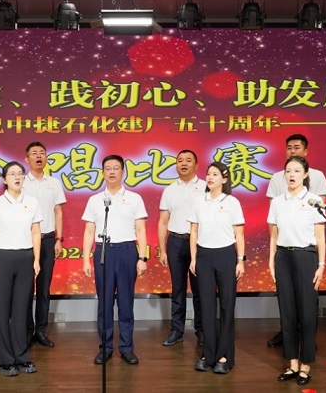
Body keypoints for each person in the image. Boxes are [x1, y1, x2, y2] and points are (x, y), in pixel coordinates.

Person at [82, 154, 148, 366]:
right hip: (103, 251)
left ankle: (127, 348)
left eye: (116, 168)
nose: (112, 172)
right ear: (102, 173)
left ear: (123, 172)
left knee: (126, 303)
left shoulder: (135, 198)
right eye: (108, 168)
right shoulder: (95, 200)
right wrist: (85, 259)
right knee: (105, 303)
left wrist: (142, 257)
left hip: (127, 251)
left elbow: (141, 229)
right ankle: (106, 348)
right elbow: (89, 231)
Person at [266, 134, 326, 348]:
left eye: (296, 147)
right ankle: (289, 342)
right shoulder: (277, 182)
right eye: (289, 147)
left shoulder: (317, 179)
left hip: (306, 249)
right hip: (284, 249)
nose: (292, 150)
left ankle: (308, 342)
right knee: (286, 301)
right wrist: (272, 258)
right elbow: (274, 224)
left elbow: (320, 225)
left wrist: (322, 263)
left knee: (307, 301)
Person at [0, 161, 43, 376]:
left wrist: (36, 259)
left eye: (20, 174)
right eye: (12, 174)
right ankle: (5, 360)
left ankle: (22, 356)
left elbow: (36, 232)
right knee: (2, 310)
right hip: (3, 258)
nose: (17, 177)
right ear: (4, 179)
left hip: (25, 257)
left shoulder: (32, 202)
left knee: (21, 309)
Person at [188, 162, 245, 374]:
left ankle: (224, 355)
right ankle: (208, 354)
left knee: (227, 305)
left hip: (226, 255)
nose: (210, 177)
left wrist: (240, 260)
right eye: (208, 174)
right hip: (204, 255)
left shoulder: (232, 202)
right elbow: (193, 231)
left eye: (215, 174)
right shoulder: (198, 201)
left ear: (224, 179)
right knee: (206, 306)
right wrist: (194, 258)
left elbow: (239, 233)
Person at [157, 149, 204, 347]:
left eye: (188, 160)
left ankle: (202, 330)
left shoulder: (205, 187)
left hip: (199, 243)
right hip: (175, 241)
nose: (183, 163)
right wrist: (162, 250)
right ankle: (177, 330)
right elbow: (163, 221)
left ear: (196, 165)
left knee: (200, 289)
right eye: (180, 160)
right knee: (178, 288)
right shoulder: (169, 190)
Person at [22, 142, 67, 348]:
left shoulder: (54, 183)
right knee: (25, 288)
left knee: (44, 288)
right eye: (34, 153)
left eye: (42, 153)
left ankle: (41, 331)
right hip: (25, 240)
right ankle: (26, 330)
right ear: (27, 159)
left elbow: (58, 211)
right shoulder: (21, 181)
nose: (39, 156)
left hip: (48, 239)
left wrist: (59, 239)